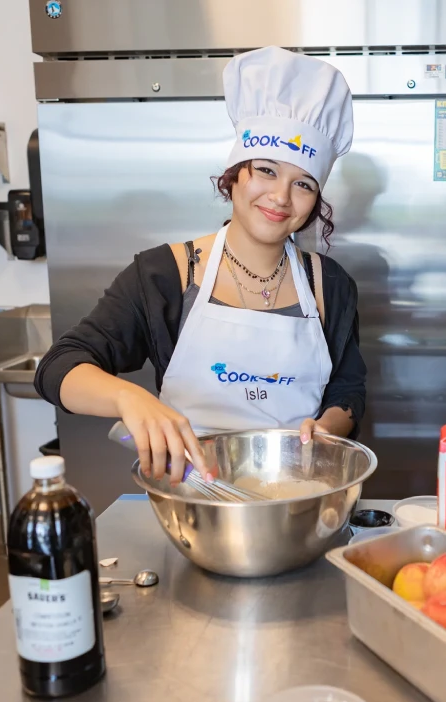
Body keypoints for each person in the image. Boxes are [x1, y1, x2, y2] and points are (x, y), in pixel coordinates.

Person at [34, 46, 365, 483]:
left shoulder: (330, 285)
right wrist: (129, 398)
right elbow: (58, 367)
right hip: (193, 500)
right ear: (235, 175)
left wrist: (325, 431)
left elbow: (348, 390)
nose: (281, 197)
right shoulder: (165, 275)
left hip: (298, 496)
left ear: (315, 200)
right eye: (266, 170)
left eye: (301, 183)